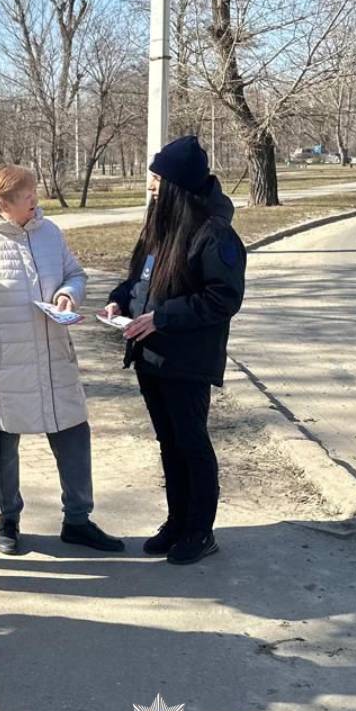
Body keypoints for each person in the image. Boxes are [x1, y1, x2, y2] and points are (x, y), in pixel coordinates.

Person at [0, 164, 125, 556]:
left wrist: (67, 294)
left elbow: (75, 274)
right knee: (4, 446)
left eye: (34, 196)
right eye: (27, 198)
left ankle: (78, 520)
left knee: (74, 435)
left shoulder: (49, 233)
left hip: (54, 357)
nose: (35, 203)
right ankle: (8, 520)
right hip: (1, 367)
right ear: (2, 202)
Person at [103, 135, 246, 566]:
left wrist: (163, 318)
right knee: (168, 442)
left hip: (187, 359)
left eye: (157, 178)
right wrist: (119, 300)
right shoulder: (159, 224)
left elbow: (223, 297)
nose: (150, 185)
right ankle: (176, 521)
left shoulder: (214, 233)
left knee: (191, 442)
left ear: (177, 186)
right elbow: (139, 281)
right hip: (150, 355)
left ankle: (200, 530)